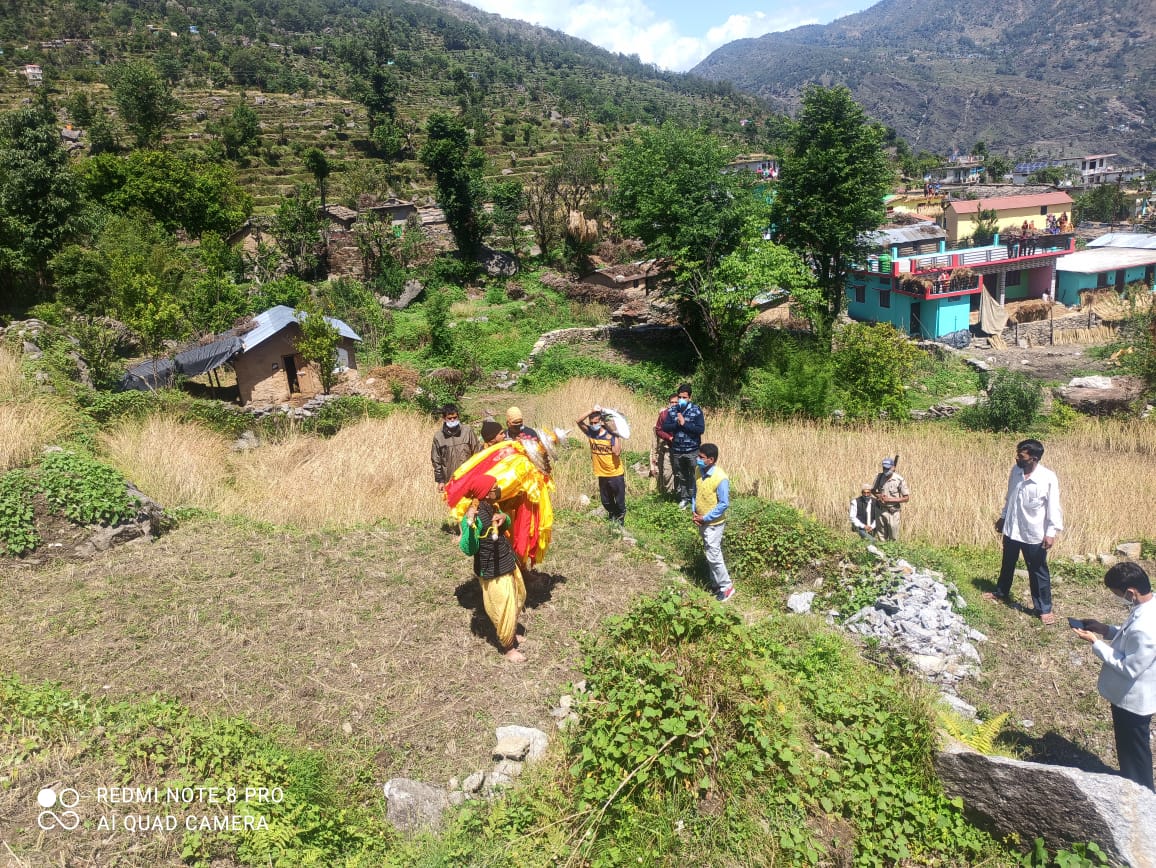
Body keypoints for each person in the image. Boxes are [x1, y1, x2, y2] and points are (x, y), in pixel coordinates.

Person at [1072, 562, 1156, 791]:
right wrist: (1105, 629)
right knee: (1130, 750)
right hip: (1131, 698)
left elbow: (1130, 668)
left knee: (1135, 753)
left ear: (1131, 592)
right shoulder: (1149, 606)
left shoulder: (1147, 627)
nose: (1117, 599)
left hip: (1133, 701)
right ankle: (1132, 785)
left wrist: (1096, 643)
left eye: (1117, 595)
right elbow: (1130, 637)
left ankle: (1143, 794)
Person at [985, 438, 1063, 624]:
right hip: (1012, 529)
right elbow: (1010, 496)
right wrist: (1003, 517)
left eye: (1021, 456)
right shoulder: (1016, 472)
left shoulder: (1047, 478)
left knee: (1038, 571)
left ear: (1034, 458)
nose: (1016, 459)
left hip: (1033, 533)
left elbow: (1054, 506)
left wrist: (1050, 532)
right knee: (1007, 563)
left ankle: (1043, 608)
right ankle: (1001, 592)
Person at [460, 484, 527, 663]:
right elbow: (468, 548)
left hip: (506, 561)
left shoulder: (492, 507)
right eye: (494, 487)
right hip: (492, 569)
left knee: (518, 597)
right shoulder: (474, 515)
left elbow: (506, 524)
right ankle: (508, 647)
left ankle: (511, 633)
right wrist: (470, 525)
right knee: (502, 607)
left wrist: (504, 518)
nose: (498, 490)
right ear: (485, 492)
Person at [692, 443, 734, 602]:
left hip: (714, 523)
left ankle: (727, 587)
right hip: (701, 519)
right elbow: (695, 491)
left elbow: (724, 503)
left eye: (701, 458)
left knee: (714, 554)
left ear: (711, 460)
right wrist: (694, 511)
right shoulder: (698, 470)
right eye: (698, 456)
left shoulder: (720, 478)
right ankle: (715, 585)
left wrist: (706, 517)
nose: (698, 459)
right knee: (710, 553)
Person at [576, 406, 626, 525]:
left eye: (596, 422)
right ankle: (613, 515)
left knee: (619, 501)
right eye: (591, 423)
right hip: (601, 473)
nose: (593, 425)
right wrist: (591, 410)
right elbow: (578, 421)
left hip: (615, 473)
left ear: (601, 421)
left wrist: (616, 434)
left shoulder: (610, 434)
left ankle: (620, 522)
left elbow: (617, 452)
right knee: (606, 501)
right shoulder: (590, 433)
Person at [662, 382, 706, 510]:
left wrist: (684, 423)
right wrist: (677, 424)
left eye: (684, 397)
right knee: (681, 475)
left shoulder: (696, 410)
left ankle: (695, 498)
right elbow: (665, 427)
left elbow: (700, 429)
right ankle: (684, 498)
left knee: (694, 475)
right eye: (680, 397)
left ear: (690, 398)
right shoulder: (672, 411)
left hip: (692, 450)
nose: (681, 400)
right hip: (677, 449)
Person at [871, 458, 909, 541]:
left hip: (893, 511)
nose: (885, 470)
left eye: (888, 468)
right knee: (881, 537)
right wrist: (879, 496)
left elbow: (906, 498)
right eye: (884, 468)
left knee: (893, 537)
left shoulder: (899, 480)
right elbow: (873, 490)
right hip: (880, 510)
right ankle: (882, 553)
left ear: (893, 468)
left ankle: (892, 553)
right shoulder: (879, 476)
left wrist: (889, 500)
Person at [651, 394, 678, 496]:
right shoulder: (664, 415)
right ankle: (669, 496)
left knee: (680, 473)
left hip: (682, 449)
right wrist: (669, 438)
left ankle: (678, 495)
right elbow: (658, 430)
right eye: (672, 402)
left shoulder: (685, 413)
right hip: (668, 448)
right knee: (667, 474)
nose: (674, 404)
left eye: (676, 402)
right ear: (669, 403)